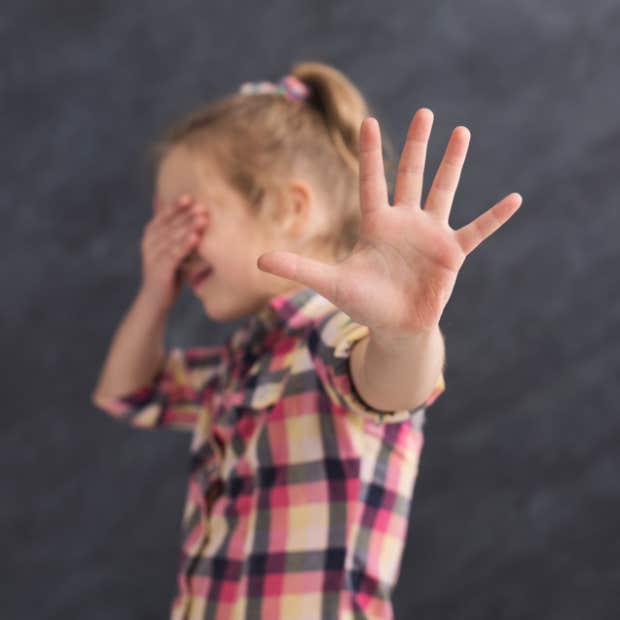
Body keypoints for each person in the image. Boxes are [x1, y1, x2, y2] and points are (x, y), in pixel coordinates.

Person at [91, 61, 522, 620]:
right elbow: (127, 392)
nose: (173, 245)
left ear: (292, 208)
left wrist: (405, 330)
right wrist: (155, 291)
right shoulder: (238, 363)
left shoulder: (332, 330)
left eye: (187, 218)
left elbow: (392, 384)